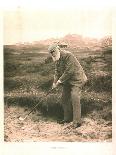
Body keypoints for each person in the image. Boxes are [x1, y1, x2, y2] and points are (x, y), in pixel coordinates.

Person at [48, 43, 87, 128]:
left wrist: (59, 82)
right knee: (64, 99)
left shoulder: (69, 56)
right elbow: (57, 72)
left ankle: (77, 122)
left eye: (53, 52)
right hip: (68, 81)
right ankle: (67, 118)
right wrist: (54, 83)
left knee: (74, 96)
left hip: (78, 80)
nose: (53, 54)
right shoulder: (57, 58)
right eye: (51, 53)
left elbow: (69, 71)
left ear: (58, 49)